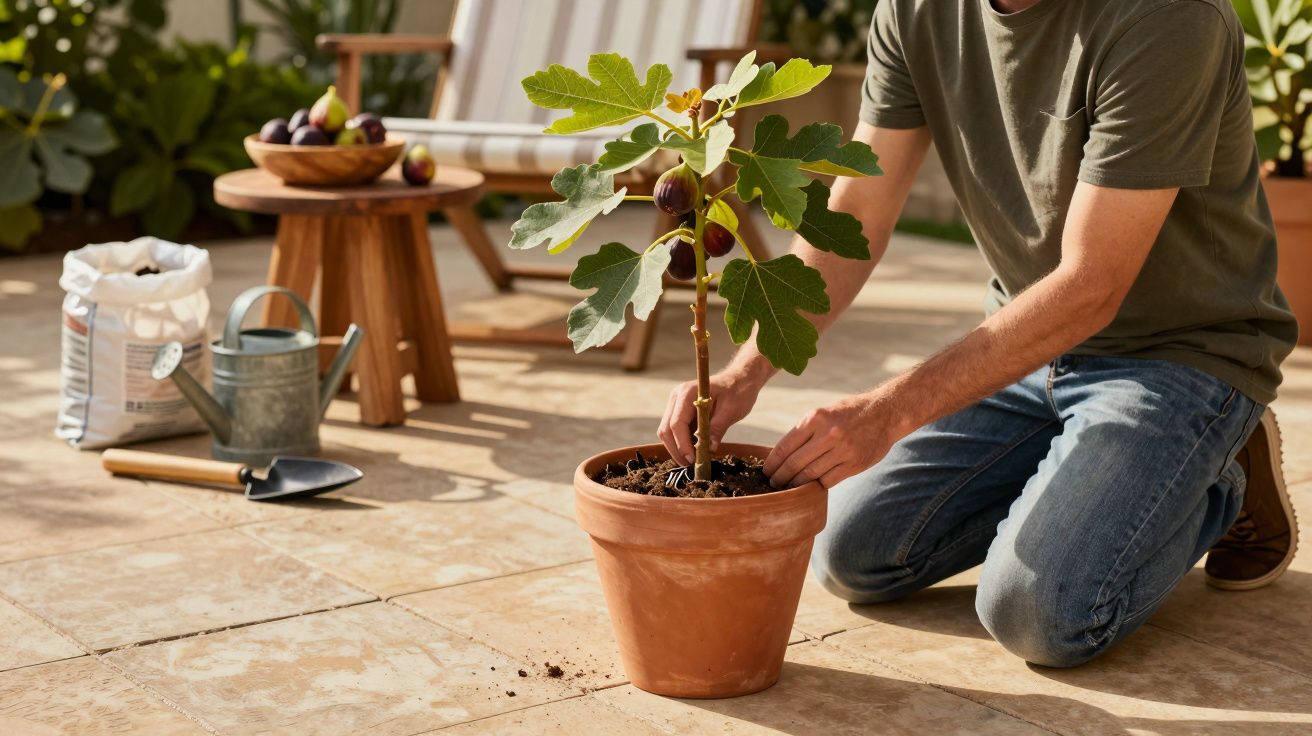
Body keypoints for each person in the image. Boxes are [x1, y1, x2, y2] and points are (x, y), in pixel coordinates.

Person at [658, 0, 1300, 668]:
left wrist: (888, 411)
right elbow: (858, 212)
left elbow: (1092, 285)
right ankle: (1087, 469)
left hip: (1180, 356)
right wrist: (744, 371)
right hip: (1030, 348)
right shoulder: (914, 10)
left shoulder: (1167, 17)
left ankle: (1222, 470)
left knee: (1038, 613)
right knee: (851, 553)